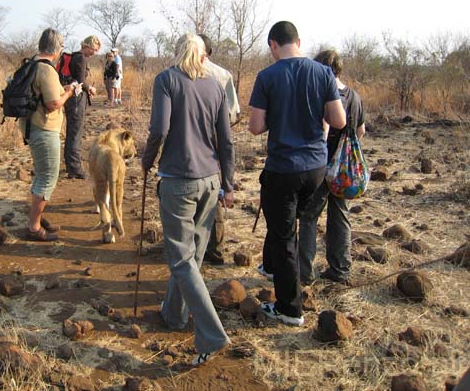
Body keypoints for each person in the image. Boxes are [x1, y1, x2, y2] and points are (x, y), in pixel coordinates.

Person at [142, 33, 235, 366]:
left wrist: (147, 160)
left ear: (178, 52)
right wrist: (229, 182)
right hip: (210, 182)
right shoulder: (214, 85)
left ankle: (211, 333)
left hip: (178, 181)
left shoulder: (166, 80)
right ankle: (174, 315)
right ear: (202, 55)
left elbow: (160, 129)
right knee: (192, 255)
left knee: (181, 259)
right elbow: (226, 140)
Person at [248, 21, 346, 326]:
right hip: (316, 169)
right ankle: (291, 277)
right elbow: (338, 120)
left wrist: (277, 117)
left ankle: (290, 309)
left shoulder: (267, 76)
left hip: (283, 169)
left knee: (283, 237)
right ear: (299, 42)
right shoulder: (324, 73)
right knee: (299, 227)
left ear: (273, 45)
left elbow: (255, 127)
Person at [299, 50, 365, 285]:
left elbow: (323, 128)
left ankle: (304, 273)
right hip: (344, 171)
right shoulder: (355, 97)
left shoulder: (322, 94)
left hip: (320, 165)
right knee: (340, 216)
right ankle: (340, 270)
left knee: (308, 216)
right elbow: (360, 131)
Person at [20, 28, 76, 241]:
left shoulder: (30, 64)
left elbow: (43, 93)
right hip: (44, 129)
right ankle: (34, 227)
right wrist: (69, 92)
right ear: (58, 49)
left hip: (32, 127)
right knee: (47, 177)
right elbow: (53, 104)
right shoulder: (47, 69)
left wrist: (63, 89)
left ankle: (36, 219)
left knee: (41, 174)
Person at [198, 34, 241, 265]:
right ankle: (214, 250)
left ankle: (195, 247)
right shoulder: (222, 75)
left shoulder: (175, 73)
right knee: (214, 195)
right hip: (216, 141)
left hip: (189, 145)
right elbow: (233, 114)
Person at [63, 35, 101, 179]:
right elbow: (80, 81)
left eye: (96, 50)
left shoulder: (75, 56)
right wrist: (90, 88)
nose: (94, 53)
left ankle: (70, 164)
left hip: (71, 98)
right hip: (76, 100)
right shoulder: (81, 58)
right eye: (93, 49)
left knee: (72, 131)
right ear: (87, 45)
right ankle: (75, 168)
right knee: (75, 133)